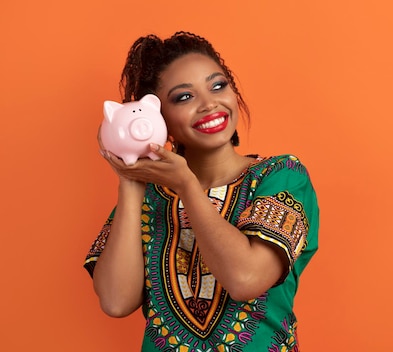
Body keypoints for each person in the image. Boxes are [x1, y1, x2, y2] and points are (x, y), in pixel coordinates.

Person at [84, 31, 319, 352]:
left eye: (218, 85)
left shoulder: (281, 176)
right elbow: (115, 301)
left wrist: (187, 186)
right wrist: (130, 180)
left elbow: (245, 280)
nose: (210, 104)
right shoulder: (149, 198)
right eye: (184, 97)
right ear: (157, 116)